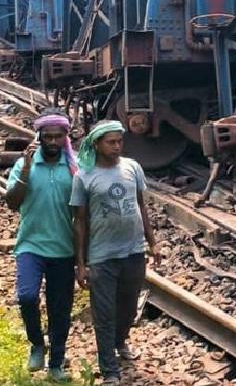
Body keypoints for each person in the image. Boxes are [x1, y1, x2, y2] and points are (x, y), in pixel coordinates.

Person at [70, 121, 160, 385]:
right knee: (104, 314)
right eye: (111, 142)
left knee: (129, 308)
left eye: (120, 141)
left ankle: (120, 341)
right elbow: (80, 222)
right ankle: (109, 369)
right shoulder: (84, 176)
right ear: (97, 144)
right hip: (102, 256)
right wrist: (81, 264)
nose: (117, 146)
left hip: (133, 251)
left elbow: (141, 207)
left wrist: (152, 242)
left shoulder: (132, 167)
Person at [6, 110, 79, 381]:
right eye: (47, 136)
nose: (53, 141)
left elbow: (83, 214)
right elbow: (12, 202)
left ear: (65, 138)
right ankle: (37, 343)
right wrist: (26, 169)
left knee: (60, 310)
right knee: (26, 296)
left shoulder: (74, 167)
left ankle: (56, 363)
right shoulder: (24, 164)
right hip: (31, 245)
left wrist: (83, 257)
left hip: (64, 248)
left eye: (58, 136)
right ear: (38, 137)